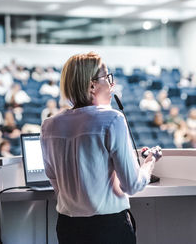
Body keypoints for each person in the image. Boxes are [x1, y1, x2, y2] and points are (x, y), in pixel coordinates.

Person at [41, 52, 159, 244]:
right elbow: (132, 185)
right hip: (108, 228)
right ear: (92, 85)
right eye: (107, 77)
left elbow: (54, 179)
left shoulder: (49, 125)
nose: (112, 85)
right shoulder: (112, 119)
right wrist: (150, 162)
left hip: (68, 228)